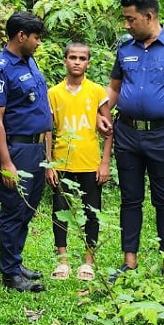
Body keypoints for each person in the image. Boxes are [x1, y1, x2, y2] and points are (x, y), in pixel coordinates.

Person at [99, 0, 164, 277]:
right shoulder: (125, 48)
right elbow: (115, 88)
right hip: (127, 133)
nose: (126, 25)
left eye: (131, 19)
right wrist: (102, 113)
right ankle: (129, 261)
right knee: (130, 199)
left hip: (163, 135)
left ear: (148, 16)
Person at [0, 11, 52, 293]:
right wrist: (6, 163)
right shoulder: (0, 69)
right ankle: (10, 273)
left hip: (37, 147)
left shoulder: (30, 61)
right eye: (36, 37)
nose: (39, 43)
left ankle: (16, 261)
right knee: (13, 210)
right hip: (18, 148)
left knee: (28, 208)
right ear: (21, 36)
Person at [46, 42, 111, 282]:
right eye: (72, 57)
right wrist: (49, 162)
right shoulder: (54, 93)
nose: (77, 62)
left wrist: (104, 163)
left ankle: (88, 261)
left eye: (82, 58)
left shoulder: (96, 91)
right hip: (62, 161)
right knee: (60, 210)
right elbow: (47, 131)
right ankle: (62, 261)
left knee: (92, 210)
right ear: (65, 61)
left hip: (90, 161)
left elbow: (108, 129)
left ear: (88, 63)